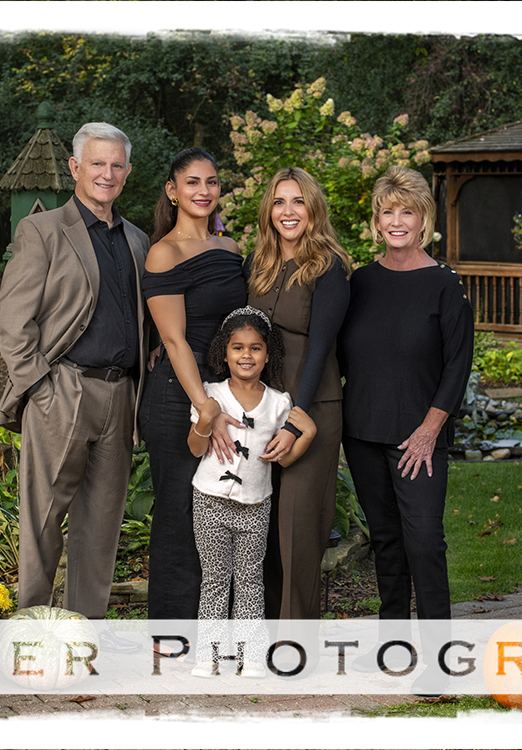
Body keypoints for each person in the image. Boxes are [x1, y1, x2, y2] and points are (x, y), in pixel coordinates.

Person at [0, 122, 146, 654]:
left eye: (117, 165)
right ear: (76, 168)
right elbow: (14, 319)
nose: (107, 173)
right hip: (63, 389)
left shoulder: (136, 239)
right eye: (97, 163)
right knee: (42, 519)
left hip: (120, 394)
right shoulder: (44, 230)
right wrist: (38, 387)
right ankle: (32, 639)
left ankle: (84, 641)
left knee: (101, 524)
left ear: (127, 173)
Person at [338, 165, 474, 692]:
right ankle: (392, 647)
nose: (397, 221)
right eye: (387, 211)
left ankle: (439, 660)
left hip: (419, 439)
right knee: (387, 542)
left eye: (407, 212)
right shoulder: (361, 282)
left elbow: (456, 365)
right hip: (364, 433)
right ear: (376, 221)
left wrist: (428, 431)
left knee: (424, 542)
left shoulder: (446, 285)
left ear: (423, 221)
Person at [218, 167, 351, 621]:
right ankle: (262, 635)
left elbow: (320, 348)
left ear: (312, 208)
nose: (288, 211)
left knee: (297, 528)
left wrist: (296, 419)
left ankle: (296, 646)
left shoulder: (329, 267)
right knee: (262, 525)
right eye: (279, 202)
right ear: (268, 210)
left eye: (297, 201)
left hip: (310, 407)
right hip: (260, 406)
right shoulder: (257, 264)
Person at [139, 148, 248, 632]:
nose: (204, 191)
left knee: (223, 509)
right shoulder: (165, 252)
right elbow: (173, 339)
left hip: (224, 395)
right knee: (179, 511)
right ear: (172, 190)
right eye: (192, 183)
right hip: (178, 397)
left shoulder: (229, 250)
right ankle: (170, 630)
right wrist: (205, 406)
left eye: (212, 182)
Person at [185, 307, 316, 677]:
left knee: (249, 580)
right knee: (214, 578)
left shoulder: (278, 403)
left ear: (268, 354)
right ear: (224, 353)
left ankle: (251, 657)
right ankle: (208, 656)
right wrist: (206, 420)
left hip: (256, 506)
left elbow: (285, 460)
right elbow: (195, 449)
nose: (246, 355)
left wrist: (307, 434)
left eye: (256, 348)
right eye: (238, 348)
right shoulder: (211, 395)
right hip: (209, 500)